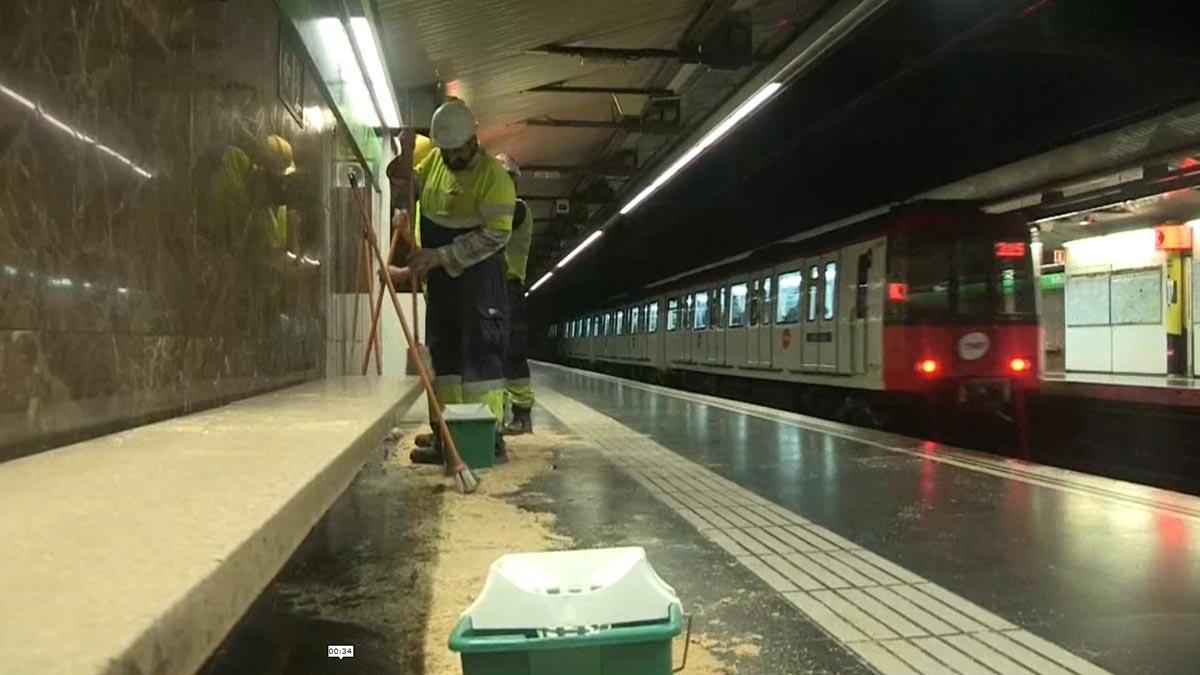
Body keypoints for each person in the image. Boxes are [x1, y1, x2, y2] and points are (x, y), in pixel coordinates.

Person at [393, 100, 516, 465]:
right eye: (446, 151)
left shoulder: (493, 180)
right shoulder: (435, 160)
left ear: (473, 140)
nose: (452, 157)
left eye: (458, 150)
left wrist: (441, 257)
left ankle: (488, 437)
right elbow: (407, 180)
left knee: (478, 361)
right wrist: (404, 153)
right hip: (443, 281)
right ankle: (446, 436)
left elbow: (496, 236)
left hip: (479, 280)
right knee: (444, 359)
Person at [494, 154, 535, 435]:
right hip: (495, 287)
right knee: (497, 350)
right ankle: (505, 413)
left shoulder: (517, 210)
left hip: (509, 286)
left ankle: (522, 415)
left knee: (511, 352)